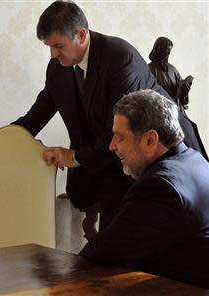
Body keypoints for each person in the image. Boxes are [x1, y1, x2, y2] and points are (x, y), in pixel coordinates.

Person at [0, 0, 207, 231]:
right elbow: (34, 118)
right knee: (110, 247)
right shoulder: (58, 67)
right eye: (49, 47)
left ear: (81, 35)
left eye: (58, 46)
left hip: (163, 155)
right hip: (116, 160)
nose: (52, 55)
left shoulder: (119, 57)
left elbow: (120, 133)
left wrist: (74, 156)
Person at [79, 89, 209, 289]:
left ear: (150, 140)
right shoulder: (196, 161)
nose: (111, 146)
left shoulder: (159, 187)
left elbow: (102, 253)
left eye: (119, 137)